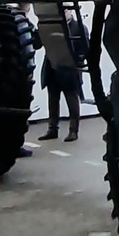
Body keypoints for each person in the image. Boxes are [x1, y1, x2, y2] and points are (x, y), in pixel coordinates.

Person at [37, 7, 87, 142]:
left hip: (69, 69)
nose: (63, 12)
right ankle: (52, 129)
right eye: (62, 10)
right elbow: (38, 43)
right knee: (53, 99)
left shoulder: (78, 27)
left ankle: (73, 130)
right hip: (52, 67)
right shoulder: (51, 27)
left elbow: (84, 47)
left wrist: (78, 59)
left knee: (72, 100)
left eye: (66, 10)